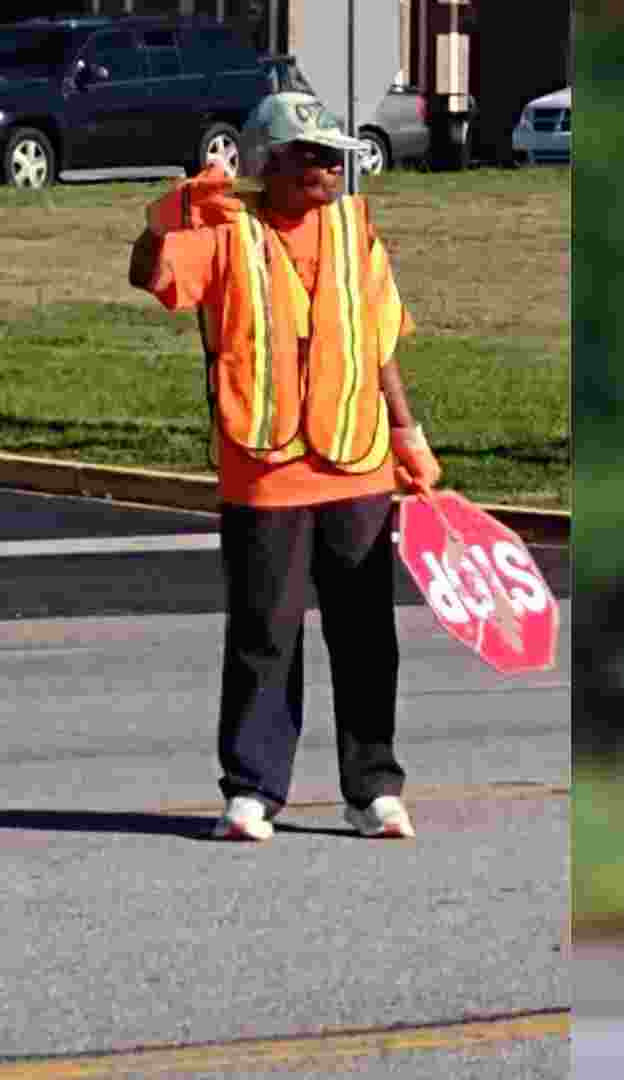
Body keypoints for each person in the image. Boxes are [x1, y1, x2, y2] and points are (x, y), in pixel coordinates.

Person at [127, 92, 444, 843]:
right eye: (311, 155)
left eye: (334, 156)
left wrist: (410, 432)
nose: (329, 169)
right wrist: (162, 219)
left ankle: (373, 790)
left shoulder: (355, 230)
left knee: (367, 636)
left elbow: (380, 341)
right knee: (265, 633)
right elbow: (149, 276)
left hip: (359, 461)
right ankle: (253, 791)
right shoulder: (223, 228)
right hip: (265, 468)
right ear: (268, 161)